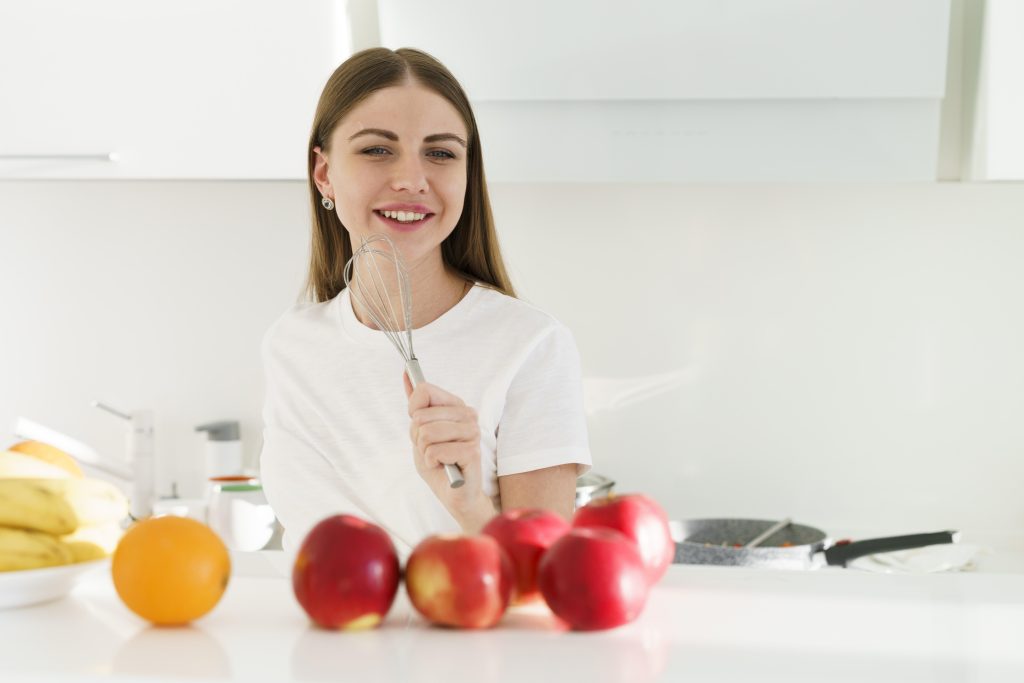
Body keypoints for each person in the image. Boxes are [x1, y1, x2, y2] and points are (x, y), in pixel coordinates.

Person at [259, 47, 591, 558]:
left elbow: (539, 581)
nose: (413, 179)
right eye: (376, 150)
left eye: (440, 153)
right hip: (321, 636)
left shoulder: (531, 347)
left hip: (465, 639)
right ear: (323, 172)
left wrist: (466, 502)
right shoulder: (290, 345)